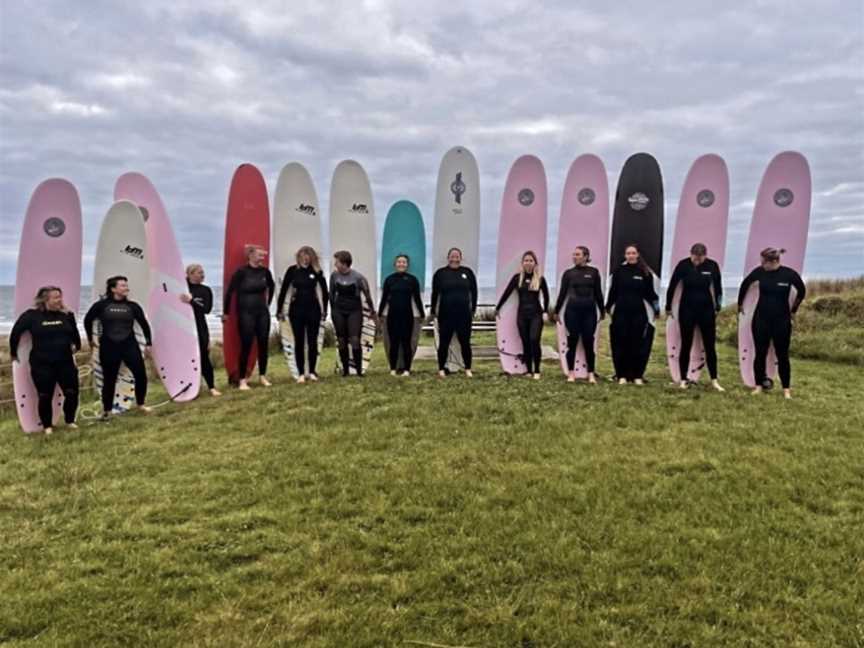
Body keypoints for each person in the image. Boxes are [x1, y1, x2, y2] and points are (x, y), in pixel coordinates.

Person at [9, 286, 81, 433]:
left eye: (60, 296)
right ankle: (47, 426)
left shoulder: (67, 315)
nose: (59, 300)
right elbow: (15, 333)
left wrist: (77, 345)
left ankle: (69, 421)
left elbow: (74, 333)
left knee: (72, 392)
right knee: (44, 395)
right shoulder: (31, 316)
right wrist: (13, 352)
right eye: (55, 297)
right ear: (45, 299)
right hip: (42, 363)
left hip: (65, 361)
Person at [737, 247, 806, 399]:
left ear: (774, 261)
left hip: (782, 321)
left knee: (782, 356)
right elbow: (745, 284)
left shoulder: (789, 274)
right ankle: (758, 386)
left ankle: (786, 389)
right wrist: (740, 303)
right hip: (761, 319)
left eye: (764, 262)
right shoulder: (760, 272)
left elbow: (802, 291)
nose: (762, 264)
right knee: (760, 354)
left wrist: (794, 310)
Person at [84, 275, 153, 418]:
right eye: (122, 285)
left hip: (129, 346)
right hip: (109, 347)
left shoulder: (133, 306)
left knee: (141, 375)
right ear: (113, 289)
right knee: (109, 379)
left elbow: (144, 324)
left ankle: (141, 404)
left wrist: (149, 343)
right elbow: (87, 320)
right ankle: (107, 410)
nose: (126, 287)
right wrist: (91, 339)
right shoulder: (101, 305)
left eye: (126, 285)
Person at [665, 243, 725, 392]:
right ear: (691, 254)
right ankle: (683, 379)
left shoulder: (712, 265)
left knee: (710, 346)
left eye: (700, 258)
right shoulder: (683, 265)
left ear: (705, 255)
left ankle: (714, 380)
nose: (697, 261)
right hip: (687, 309)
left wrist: (718, 306)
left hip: (706, 310)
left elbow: (718, 288)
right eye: (695, 257)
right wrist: (668, 306)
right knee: (686, 344)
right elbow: (673, 286)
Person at [222, 245, 275, 390]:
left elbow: (272, 286)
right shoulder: (241, 272)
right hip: (246, 312)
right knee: (246, 344)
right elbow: (230, 292)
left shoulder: (265, 272)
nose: (262, 257)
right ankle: (242, 380)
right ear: (250, 255)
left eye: (262, 255)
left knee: (263, 343)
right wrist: (226, 312)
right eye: (259, 255)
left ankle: (263, 376)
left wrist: (268, 304)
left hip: (262, 312)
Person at [606, 245, 660, 385]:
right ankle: (621, 375)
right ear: (625, 255)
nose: (630, 255)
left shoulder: (645, 272)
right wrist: (607, 308)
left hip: (638, 313)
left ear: (638, 255)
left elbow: (651, 294)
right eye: (628, 253)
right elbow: (613, 292)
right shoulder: (619, 271)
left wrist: (656, 309)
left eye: (633, 253)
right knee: (620, 343)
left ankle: (637, 375)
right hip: (621, 312)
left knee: (637, 344)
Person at [552, 246, 605, 384]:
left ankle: (591, 373)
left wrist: (602, 310)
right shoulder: (568, 273)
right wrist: (557, 311)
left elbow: (598, 293)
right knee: (572, 342)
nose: (574, 257)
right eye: (573, 254)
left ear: (586, 256)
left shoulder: (593, 272)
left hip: (589, 312)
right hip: (572, 312)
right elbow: (562, 294)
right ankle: (571, 373)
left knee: (589, 342)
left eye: (577, 254)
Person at [276, 246, 329, 383]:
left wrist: (325, 310)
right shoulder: (292, 270)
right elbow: (283, 291)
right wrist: (279, 310)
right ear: (298, 257)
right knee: (298, 342)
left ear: (311, 257)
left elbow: (325, 292)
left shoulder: (316, 271)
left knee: (312, 342)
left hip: (313, 309)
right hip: (296, 310)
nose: (305, 258)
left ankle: (312, 371)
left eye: (308, 256)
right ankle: (300, 373)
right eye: (302, 255)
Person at [495, 250, 550, 379]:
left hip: (536, 314)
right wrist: (498, 308)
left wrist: (546, 311)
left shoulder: (540, 279)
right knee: (525, 342)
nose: (528, 263)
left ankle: (537, 370)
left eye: (531, 260)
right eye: (526, 260)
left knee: (534, 340)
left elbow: (546, 297)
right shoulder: (517, 278)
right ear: (522, 263)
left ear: (535, 263)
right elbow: (507, 293)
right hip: (522, 315)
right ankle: (529, 370)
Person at [431, 248, 478, 378]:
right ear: (448, 257)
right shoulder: (440, 273)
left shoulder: (467, 272)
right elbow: (435, 294)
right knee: (444, 343)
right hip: (446, 314)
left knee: (465, 343)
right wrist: (433, 311)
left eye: (457, 256)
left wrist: (473, 308)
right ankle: (441, 369)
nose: (454, 258)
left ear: (460, 258)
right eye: (452, 256)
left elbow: (474, 292)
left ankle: (468, 368)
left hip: (464, 315)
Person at [329, 250, 376, 377]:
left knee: (355, 339)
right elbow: (331, 295)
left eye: (337, 262)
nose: (335, 264)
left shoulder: (358, 277)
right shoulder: (334, 276)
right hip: (339, 310)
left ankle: (359, 370)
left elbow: (367, 296)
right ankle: (345, 370)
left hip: (354, 310)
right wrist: (333, 311)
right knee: (342, 340)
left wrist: (372, 312)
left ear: (344, 263)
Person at [378, 254, 425, 376]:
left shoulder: (412, 280)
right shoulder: (389, 280)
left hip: (407, 316)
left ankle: (407, 370)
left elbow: (417, 299)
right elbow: (384, 299)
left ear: (407, 265)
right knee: (393, 342)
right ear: (395, 264)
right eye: (399, 262)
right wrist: (379, 314)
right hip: (392, 315)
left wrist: (422, 314)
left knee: (406, 343)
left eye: (404, 262)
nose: (401, 264)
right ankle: (393, 369)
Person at [182, 264, 220, 396]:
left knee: (204, 357)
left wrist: (191, 301)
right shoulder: (182, 288)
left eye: (203, 272)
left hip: (200, 326)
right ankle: (189, 388)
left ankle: (211, 387)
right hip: (184, 327)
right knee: (185, 358)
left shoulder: (206, 290)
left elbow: (207, 309)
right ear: (190, 274)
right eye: (199, 273)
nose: (202, 275)